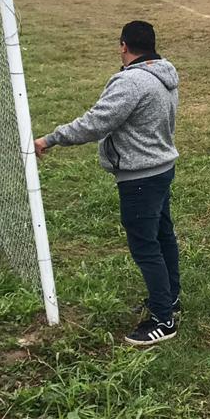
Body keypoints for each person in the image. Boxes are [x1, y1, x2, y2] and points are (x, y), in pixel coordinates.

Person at [34, 21, 182, 347]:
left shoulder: (132, 82)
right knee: (161, 235)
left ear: (124, 46)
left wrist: (50, 139)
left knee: (146, 247)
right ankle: (169, 299)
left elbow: (95, 122)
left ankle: (163, 320)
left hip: (141, 177)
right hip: (161, 168)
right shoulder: (165, 72)